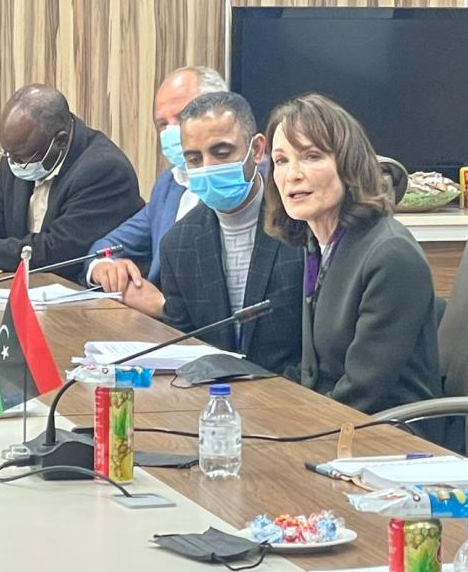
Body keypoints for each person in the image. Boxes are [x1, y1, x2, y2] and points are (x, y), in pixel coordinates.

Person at [263, 94, 441, 415]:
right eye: (281, 160)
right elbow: (314, 371)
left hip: (390, 431)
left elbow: (364, 390)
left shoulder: (390, 254)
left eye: (311, 156)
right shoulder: (317, 245)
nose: (292, 174)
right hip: (337, 417)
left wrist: (292, 425)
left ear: (348, 166)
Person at [0, 84, 143, 280]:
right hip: (31, 290)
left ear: (61, 141)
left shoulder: (104, 170)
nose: (12, 162)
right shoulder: (18, 155)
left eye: (19, 157)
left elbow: (57, 253)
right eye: (7, 152)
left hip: (85, 298)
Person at [156, 92, 303, 375]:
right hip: (211, 393)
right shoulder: (177, 245)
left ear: (257, 150)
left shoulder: (300, 225)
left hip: (293, 392)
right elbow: (182, 350)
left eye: (221, 153)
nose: (207, 168)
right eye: (194, 159)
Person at [83, 66, 226, 298]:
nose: (171, 131)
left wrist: (163, 307)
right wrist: (104, 266)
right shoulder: (169, 183)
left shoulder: (245, 181)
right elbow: (108, 245)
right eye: (162, 124)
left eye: (182, 117)